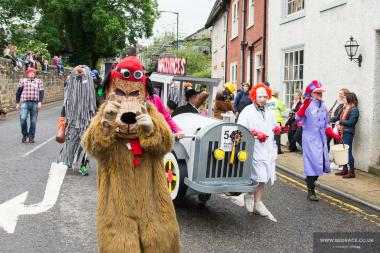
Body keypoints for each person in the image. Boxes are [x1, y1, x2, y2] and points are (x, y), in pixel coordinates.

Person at [82, 56, 180, 252]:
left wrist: (152, 130)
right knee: (119, 245)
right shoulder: (105, 113)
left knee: (159, 242)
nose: (127, 98)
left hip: (153, 198)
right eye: (119, 92)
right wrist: (106, 124)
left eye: (135, 93)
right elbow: (92, 147)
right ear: (110, 90)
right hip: (117, 203)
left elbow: (167, 144)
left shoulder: (152, 112)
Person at [238, 83, 286, 221]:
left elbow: (273, 125)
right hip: (254, 147)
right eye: (260, 96)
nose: (263, 99)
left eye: (265, 96)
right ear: (254, 97)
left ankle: (258, 203)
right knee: (257, 175)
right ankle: (249, 194)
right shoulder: (247, 111)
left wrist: (278, 129)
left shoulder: (269, 111)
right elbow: (241, 128)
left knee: (263, 176)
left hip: (268, 148)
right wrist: (255, 133)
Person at [296, 80, 341, 201]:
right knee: (313, 164)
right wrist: (304, 106)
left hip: (321, 140)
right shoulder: (307, 105)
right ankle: (311, 191)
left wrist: (335, 135)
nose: (320, 95)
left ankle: (310, 181)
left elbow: (326, 125)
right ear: (312, 94)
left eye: (321, 93)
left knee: (320, 164)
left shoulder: (324, 106)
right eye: (318, 93)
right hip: (310, 140)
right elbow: (297, 118)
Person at [56, 66, 97, 175]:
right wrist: (62, 119)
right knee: (70, 142)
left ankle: (84, 165)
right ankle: (69, 160)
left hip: (87, 122)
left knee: (85, 144)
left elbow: (97, 104)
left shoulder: (92, 90)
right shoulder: (69, 88)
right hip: (72, 121)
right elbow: (65, 104)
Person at [16, 68, 44, 143]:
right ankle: (25, 135)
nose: (32, 73)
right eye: (30, 72)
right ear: (27, 73)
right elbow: (18, 92)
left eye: (33, 72)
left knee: (33, 121)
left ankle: (31, 137)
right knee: (23, 119)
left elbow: (41, 92)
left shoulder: (39, 81)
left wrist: (40, 102)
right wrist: (17, 103)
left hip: (35, 103)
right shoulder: (23, 81)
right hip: (24, 102)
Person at [335, 92, 359, 178]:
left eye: (345, 98)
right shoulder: (347, 108)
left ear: (349, 99)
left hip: (348, 132)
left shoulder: (354, 110)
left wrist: (340, 122)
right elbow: (340, 118)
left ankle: (351, 172)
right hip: (343, 132)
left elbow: (351, 122)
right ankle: (345, 169)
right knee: (343, 152)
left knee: (348, 152)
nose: (344, 99)